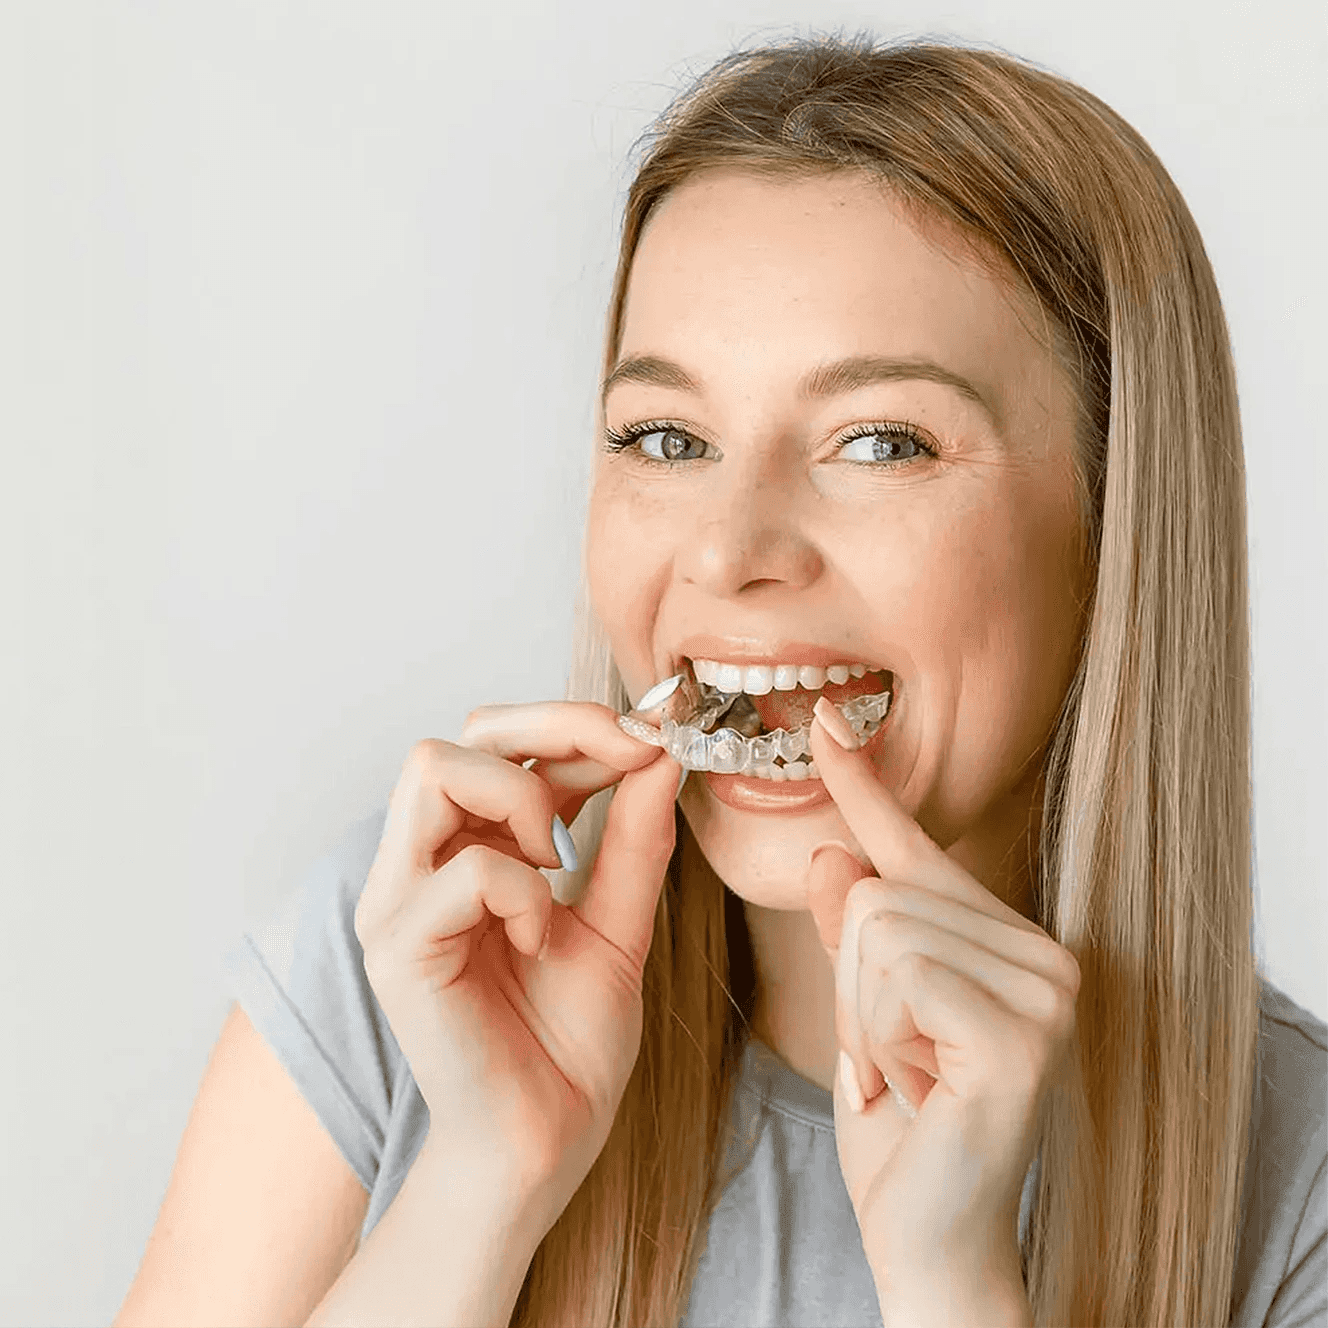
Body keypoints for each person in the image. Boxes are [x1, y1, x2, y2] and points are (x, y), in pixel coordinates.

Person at [114, 33, 1326, 1328]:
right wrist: (482, 1176)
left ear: (1115, 526)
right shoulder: (408, 969)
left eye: (880, 441)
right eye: (668, 437)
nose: (730, 551)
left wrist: (955, 1287)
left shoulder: (1296, 1185)